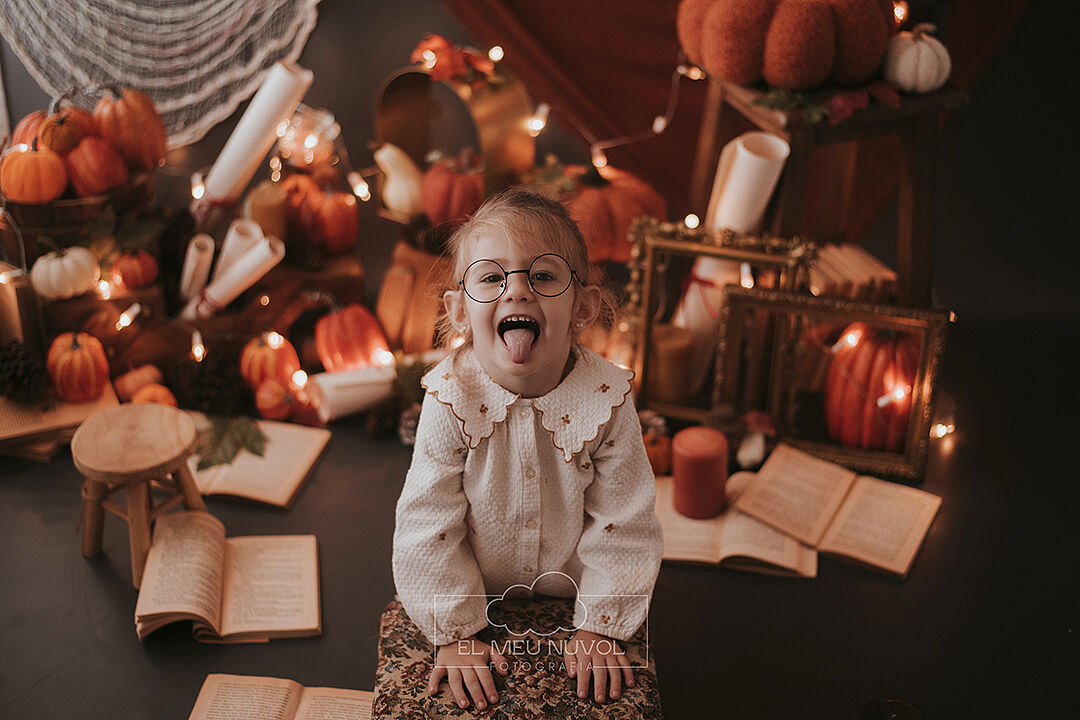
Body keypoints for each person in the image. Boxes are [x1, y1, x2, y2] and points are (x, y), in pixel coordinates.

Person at [392, 186, 663, 711]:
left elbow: (624, 519)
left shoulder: (606, 400)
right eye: (492, 278)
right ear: (460, 311)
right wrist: (456, 630)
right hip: (477, 583)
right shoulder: (451, 399)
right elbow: (429, 522)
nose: (516, 292)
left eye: (542, 276)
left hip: (575, 586)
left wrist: (602, 623)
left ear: (582, 307)